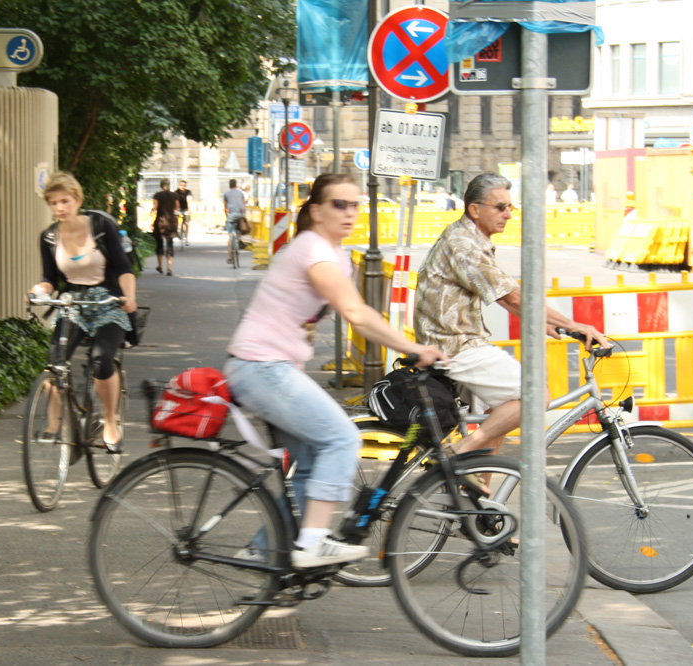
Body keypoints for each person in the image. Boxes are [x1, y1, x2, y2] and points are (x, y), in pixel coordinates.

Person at [224, 173, 446, 568]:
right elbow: (356, 314)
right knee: (342, 438)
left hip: (269, 367)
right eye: (339, 204)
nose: (350, 213)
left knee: (309, 464)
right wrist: (414, 348)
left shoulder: (335, 255)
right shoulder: (313, 249)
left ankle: (264, 551)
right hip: (261, 367)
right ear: (316, 210)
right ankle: (312, 543)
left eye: (356, 204)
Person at [414, 173, 609, 462]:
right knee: (534, 396)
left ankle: (478, 501)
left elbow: (513, 302)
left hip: (452, 341)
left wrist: (545, 321)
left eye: (510, 208)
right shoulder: (464, 244)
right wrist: (575, 325)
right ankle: (457, 451)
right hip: (454, 346)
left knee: (499, 419)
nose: (508, 214)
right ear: (475, 209)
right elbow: (512, 298)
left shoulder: (468, 237)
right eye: (500, 207)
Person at [33, 172, 137, 452]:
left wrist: (129, 297)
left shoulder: (101, 227)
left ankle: (110, 422)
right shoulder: (49, 237)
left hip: (107, 301)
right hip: (72, 301)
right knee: (54, 362)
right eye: (54, 203)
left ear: (78, 200)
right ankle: (55, 424)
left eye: (65, 201)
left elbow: (124, 267)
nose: (60, 208)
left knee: (101, 361)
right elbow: (50, 278)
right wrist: (41, 291)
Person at [151, 179, 179, 275]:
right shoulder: (174, 195)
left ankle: (161, 267)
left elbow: (155, 207)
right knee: (170, 244)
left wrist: (151, 212)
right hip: (171, 221)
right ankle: (169, 268)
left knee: (159, 244)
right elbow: (177, 207)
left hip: (161, 221)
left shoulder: (157, 195)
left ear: (160, 185)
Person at [222, 179, 246, 264]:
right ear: (236, 185)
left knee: (230, 235)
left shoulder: (226, 194)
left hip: (231, 215)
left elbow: (225, 207)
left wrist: (226, 217)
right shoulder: (240, 193)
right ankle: (239, 238)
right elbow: (243, 204)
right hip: (240, 213)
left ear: (229, 186)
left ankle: (230, 257)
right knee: (238, 227)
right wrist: (243, 215)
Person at [174, 179, 192, 245]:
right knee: (176, 218)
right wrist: (176, 209)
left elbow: (189, 201)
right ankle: (178, 231)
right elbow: (176, 202)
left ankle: (187, 239)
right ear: (179, 185)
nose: (183, 187)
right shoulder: (176, 192)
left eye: (184, 185)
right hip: (178, 208)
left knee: (187, 222)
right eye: (181, 185)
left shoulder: (188, 192)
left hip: (185, 208)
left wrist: (189, 210)